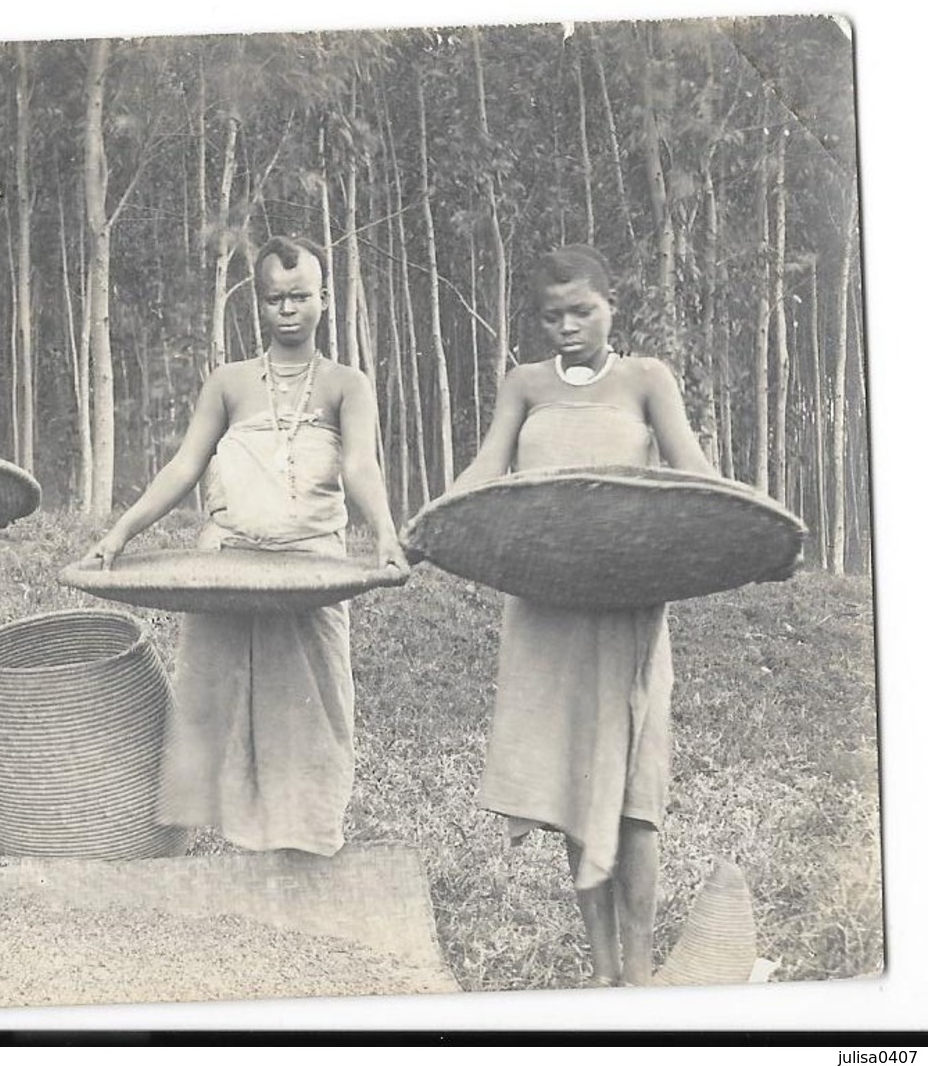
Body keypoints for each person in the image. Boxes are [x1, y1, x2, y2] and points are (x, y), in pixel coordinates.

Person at [433, 244, 720, 986]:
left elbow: (694, 472)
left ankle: (640, 967)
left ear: (610, 305)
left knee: (633, 792)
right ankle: (601, 973)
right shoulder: (523, 385)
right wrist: (431, 524)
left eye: (581, 311)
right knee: (569, 786)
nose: (566, 326)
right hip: (544, 608)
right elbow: (485, 471)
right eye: (551, 315)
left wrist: (753, 528)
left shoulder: (645, 379)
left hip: (626, 607)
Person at [86, 235, 407, 856]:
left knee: (313, 713)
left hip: (313, 568)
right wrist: (121, 533)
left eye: (300, 297)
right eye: (274, 299)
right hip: (227, 565)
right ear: (258, 305)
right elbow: (183, 468)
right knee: (225, 711)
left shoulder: (347, 385)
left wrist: (387, 536)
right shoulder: (229, 383)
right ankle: (241, 855)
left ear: (323, 301)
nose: (288, 310)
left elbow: (362, 466)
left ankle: (303, 849)